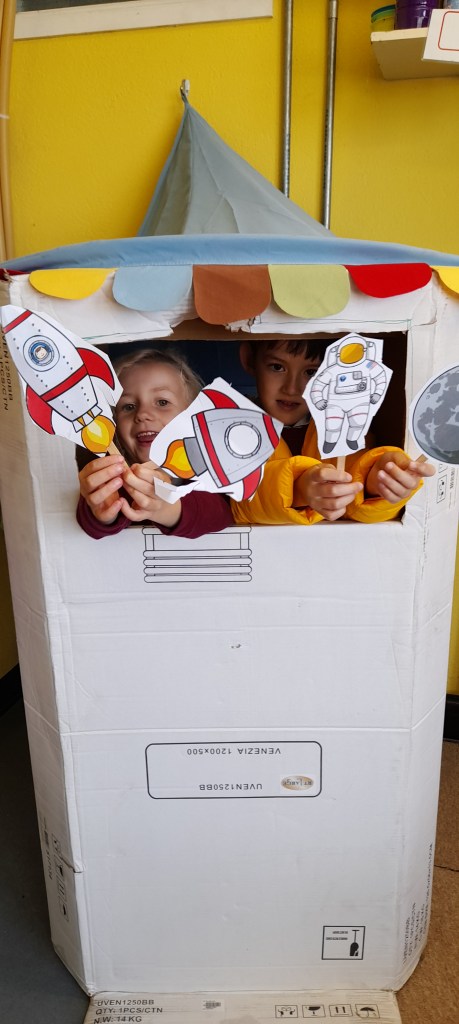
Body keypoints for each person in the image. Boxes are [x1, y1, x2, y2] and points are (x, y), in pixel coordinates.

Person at [230, 338, 435, 526]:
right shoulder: (229, 428)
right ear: (249, 359)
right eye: (277, 367)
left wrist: (377, 483)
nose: (292, 389)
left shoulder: (344, 427)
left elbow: (353, 493)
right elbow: (238, 503)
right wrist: (297, 489)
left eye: (311, 372)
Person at [77, 348, 233, 539]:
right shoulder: (112, 482)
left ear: (193, 416)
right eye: (128, 406)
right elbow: (87, 525)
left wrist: (166, 508)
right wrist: (101, 513)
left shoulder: (208, 474)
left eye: (162, 402)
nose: (142, 414)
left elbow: (221, 514)